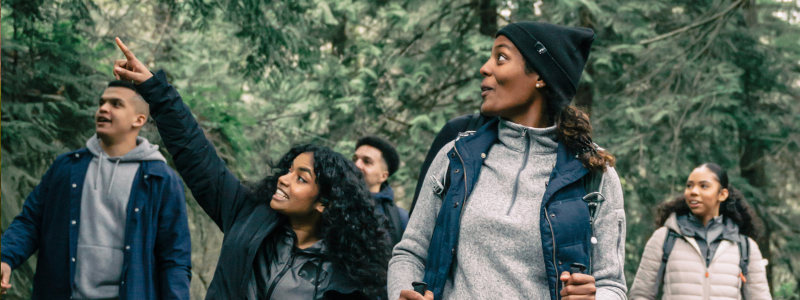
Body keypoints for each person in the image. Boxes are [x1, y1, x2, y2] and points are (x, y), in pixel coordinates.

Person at [111, 38, 389, 300]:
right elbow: (196, 154)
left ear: (324, 202)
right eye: (289, 170)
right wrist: (155, 89)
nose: (283, 179)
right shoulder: (247, 217)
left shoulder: (346, 278)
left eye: (301, 178)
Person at [388, 21, 627, 300]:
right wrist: (403, 293)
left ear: (540, 76)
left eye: (500, 57)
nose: (485, 67)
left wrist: (594, 297)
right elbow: (410, 253)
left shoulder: (594, 174)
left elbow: (612, 285)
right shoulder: (456, 157)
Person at [0, 81, 192, 299]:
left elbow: (175, 259)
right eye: (102, 103)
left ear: (138, 120)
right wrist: (5, 257)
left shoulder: (161, 180)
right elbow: (31, 222)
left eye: (116, 104)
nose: (103, 108)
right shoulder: (67, 167)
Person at [629, 163, 771, 300]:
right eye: (689, 186)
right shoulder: (665, 238)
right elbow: (641, 294)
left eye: (703, 186)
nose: (693, 192)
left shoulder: (745, 247)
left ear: (722, 194)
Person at [353, 136, 409, 248]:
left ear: (383, 176)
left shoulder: (400, 219)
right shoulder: (328, 201)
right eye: (354, 159)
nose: (356, 165)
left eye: (367, 161)